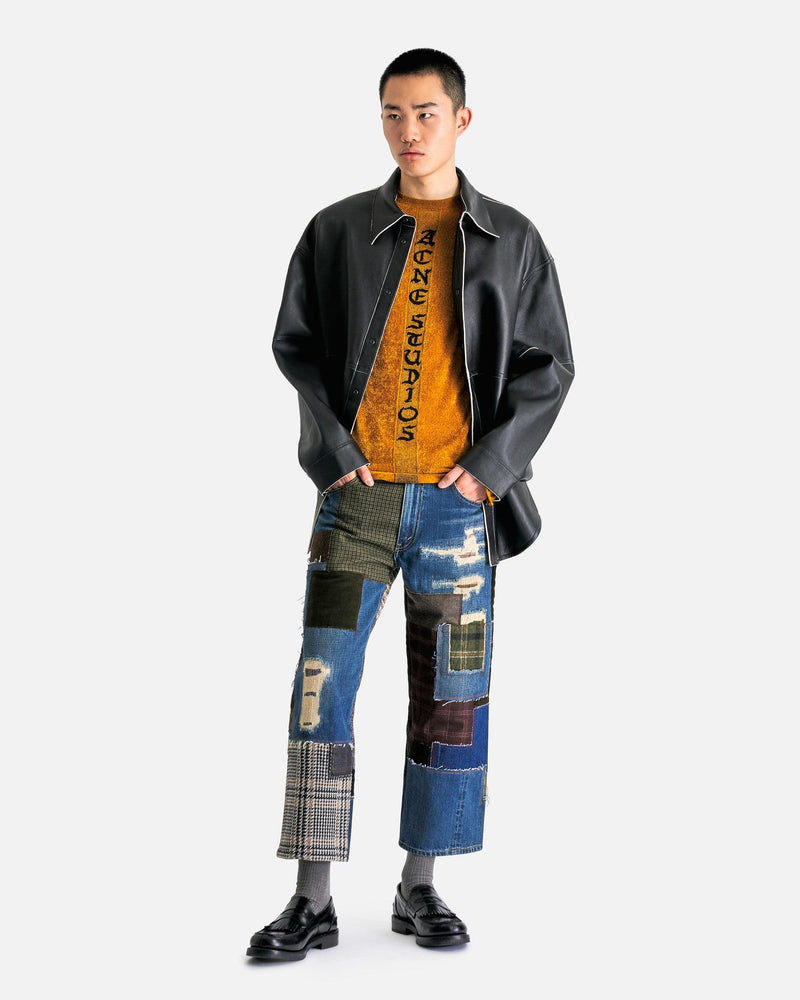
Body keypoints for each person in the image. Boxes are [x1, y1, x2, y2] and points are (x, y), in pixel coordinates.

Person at [246, 47, 574, 961]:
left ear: (461, 120)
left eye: (426, 113)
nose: (408, 130)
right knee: (322, 686)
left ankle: (420, 883)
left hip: (457, 510)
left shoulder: (512, 239)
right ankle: (311, 898)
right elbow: (296, 346)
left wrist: (488, 468)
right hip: (358, 504)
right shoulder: (338, 230)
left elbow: (551, 366)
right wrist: (335, 454)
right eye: (393, 113)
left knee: (449, 700)